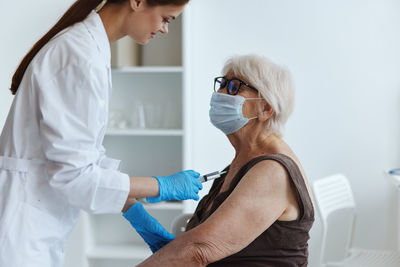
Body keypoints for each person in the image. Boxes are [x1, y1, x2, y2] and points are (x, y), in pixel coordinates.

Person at [0, 0, 202, 267]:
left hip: (31, 226)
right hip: (19, 234)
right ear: (138, 2)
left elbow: (85, 158)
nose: (165, 29)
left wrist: (134, 211)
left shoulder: (88, 47)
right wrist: (162, 186)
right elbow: (75, 176)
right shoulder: (79, 54)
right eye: (166, 18)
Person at [133, 54, 315, 266]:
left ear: (265, 109)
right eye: (222, 83)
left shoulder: (273, 170)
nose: (220, 93)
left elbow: (199, 251)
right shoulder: (245, 160)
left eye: (235, 87)